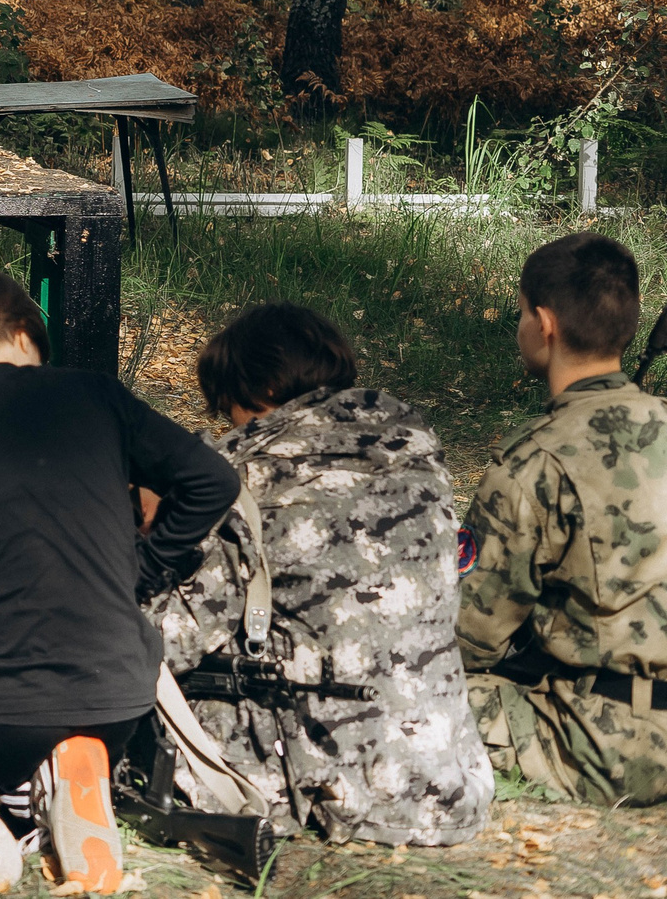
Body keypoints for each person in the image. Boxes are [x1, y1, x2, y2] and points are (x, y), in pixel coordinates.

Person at [0, 264, 239, 894]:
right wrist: (143, 569)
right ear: (25, 331)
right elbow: (213, 479)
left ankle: (18, 800)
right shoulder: (96, 395)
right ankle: (61, 776)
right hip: (120, 700)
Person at [152, 303, 491, 844]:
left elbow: (172, 641)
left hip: (346, 788)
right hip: (447, 776)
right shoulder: (416, 446)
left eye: (229, 408)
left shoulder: (245, 474)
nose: (231, 424)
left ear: (253, 389)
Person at [459, 231, 667, 807]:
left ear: (544, 324)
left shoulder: (533, 463)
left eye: (522, 312)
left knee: (408, 692)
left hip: (611, 749)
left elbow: (467, 640)